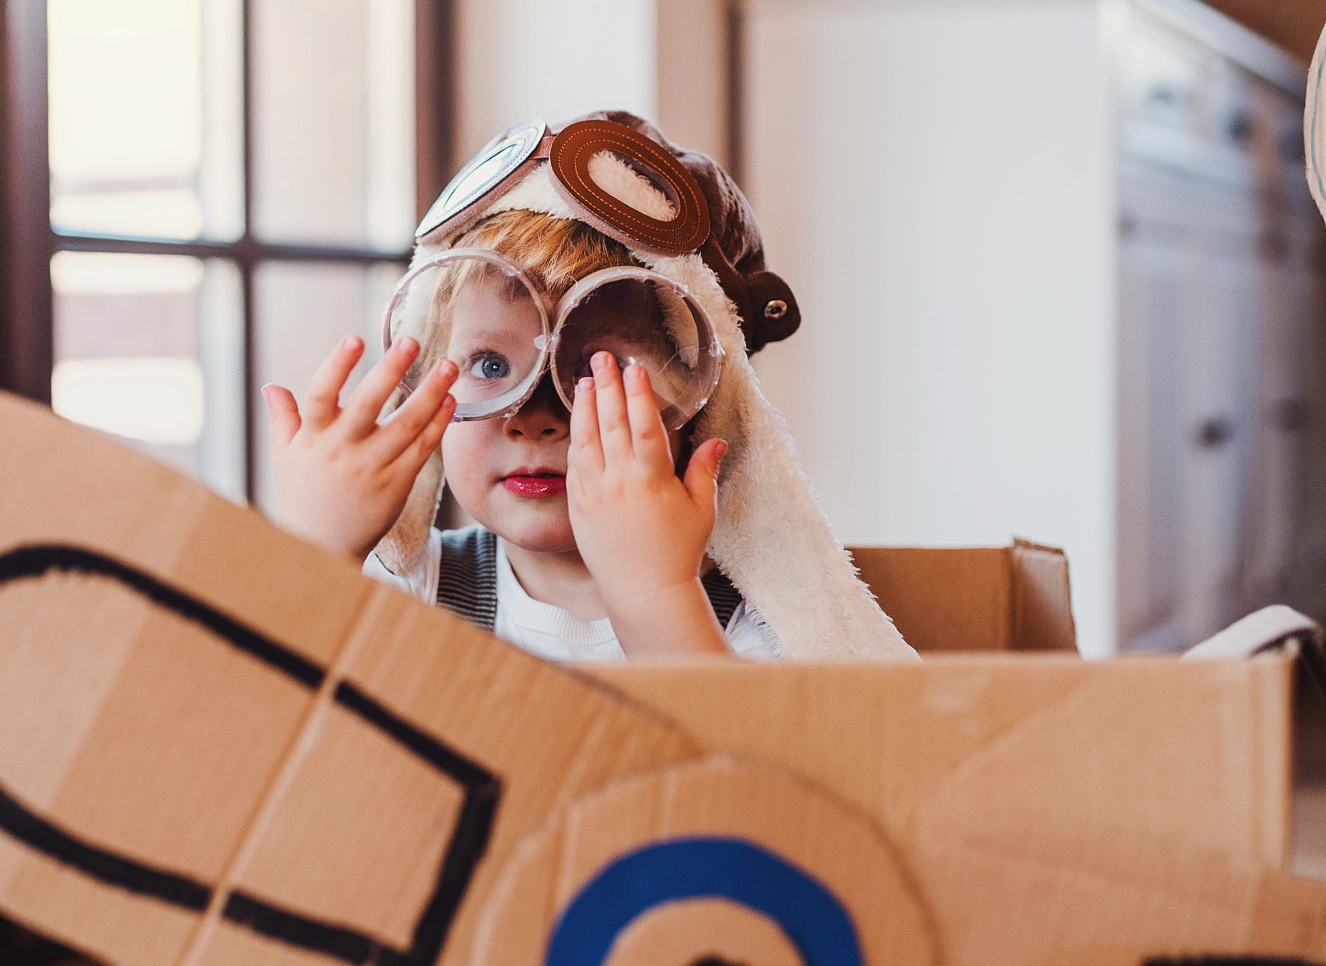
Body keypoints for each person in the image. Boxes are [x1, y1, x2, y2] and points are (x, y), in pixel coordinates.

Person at [263, 111, 912, 663]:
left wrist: (654, 594)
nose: (534, 418)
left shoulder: (766, 630)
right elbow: (256, 745)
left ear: (704, 403)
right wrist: (311, 552)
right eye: (490, 366)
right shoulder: (408, 593)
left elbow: (752, 796)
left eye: (591, 370)